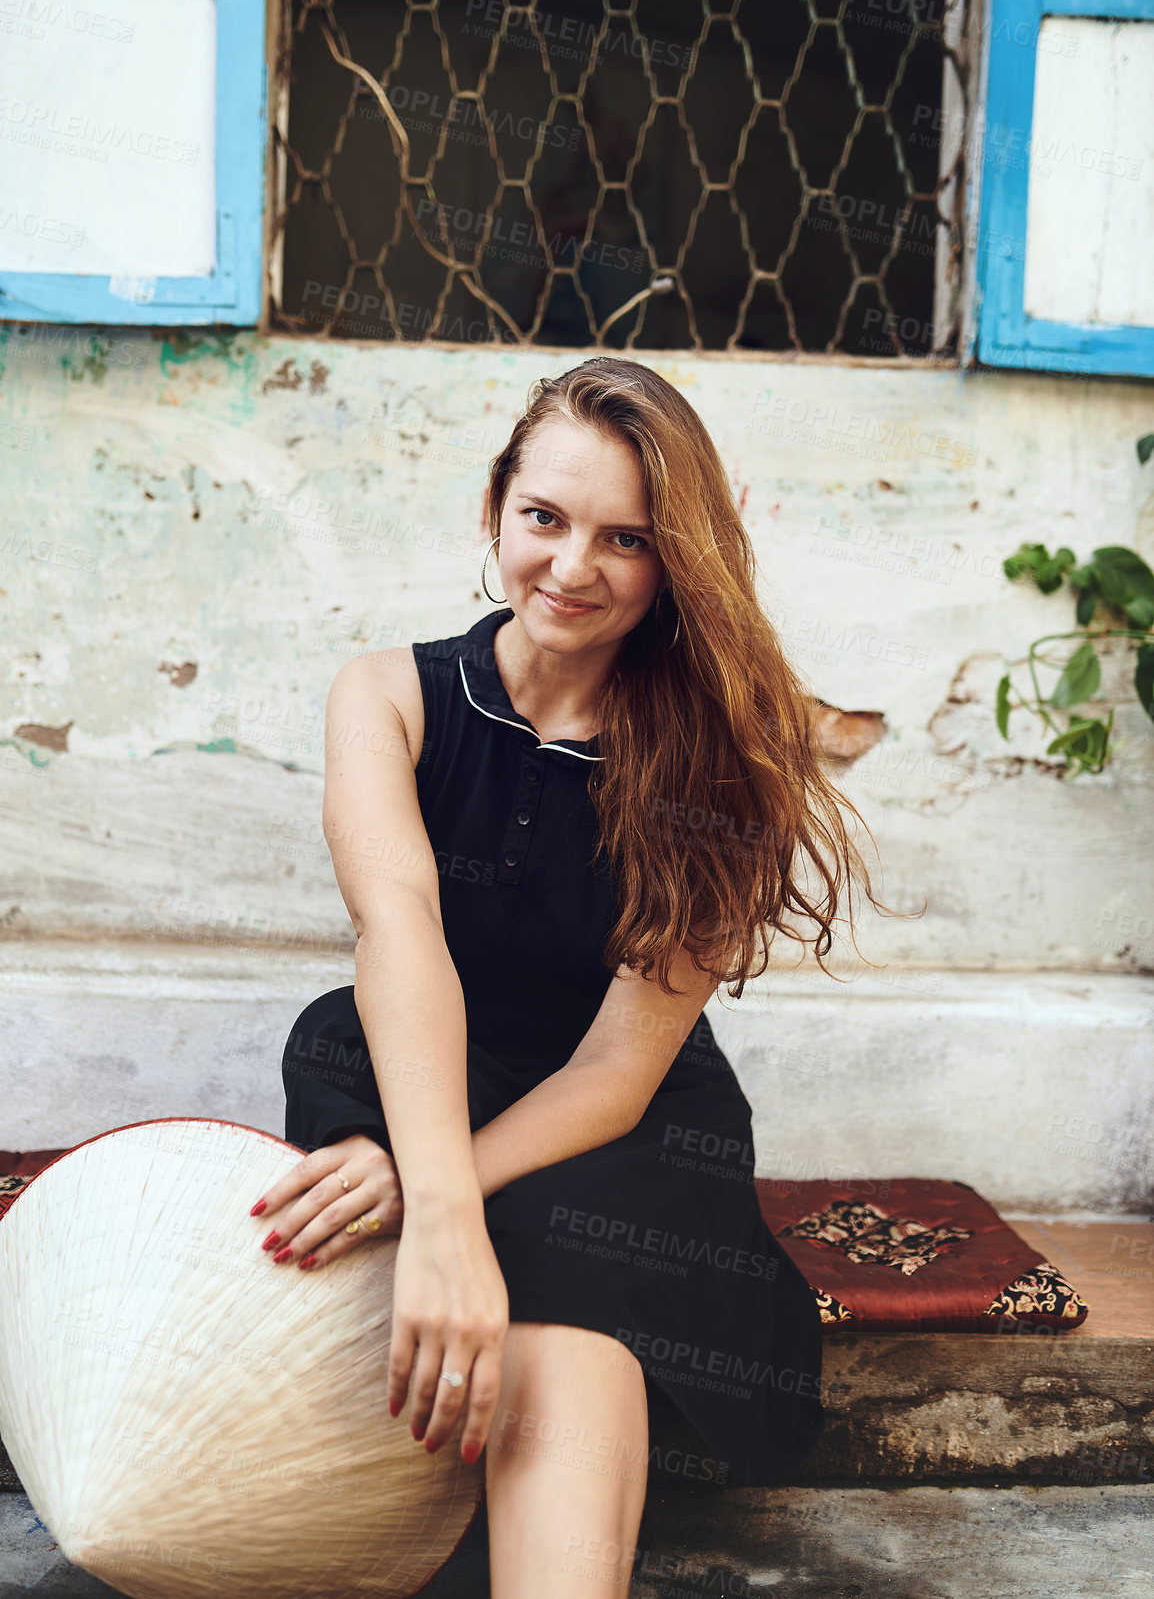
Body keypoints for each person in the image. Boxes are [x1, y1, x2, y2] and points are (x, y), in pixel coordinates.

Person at [249, 357, 894, 1595]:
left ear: (675, 562)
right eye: (544, 517)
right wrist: (426, 1178)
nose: (571, 566)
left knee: (552, 1255)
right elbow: (402, 941)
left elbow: (613, 1070)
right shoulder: (387, 695)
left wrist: (430, 1199)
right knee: (335, 1042)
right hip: (420, 1049)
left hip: (625, 1112)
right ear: (494, 505)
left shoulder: (727, 758)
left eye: (626, 539)